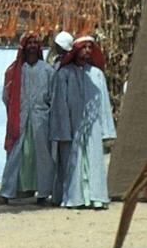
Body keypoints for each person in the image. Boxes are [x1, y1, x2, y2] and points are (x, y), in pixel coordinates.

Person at [49, 34, 114, 209]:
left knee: (94, 160)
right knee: (72, 162)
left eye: (89, 48)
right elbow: (60, 104)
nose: (86, 51)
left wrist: (106, 130)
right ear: (76, 51)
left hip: (92, 127)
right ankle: (74, 198)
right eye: (83, 48)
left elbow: (103, 104)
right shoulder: (64, 74)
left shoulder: (97, 75)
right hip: (72, 126)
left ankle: (96, 197)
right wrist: (63, 129)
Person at [0, 32, 54, 205]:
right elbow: (6, 96)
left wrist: (44, 111)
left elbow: (53, 96)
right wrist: (15, 110)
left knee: (43, 155)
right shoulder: (14, 71)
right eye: (30, 43)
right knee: (15, 153)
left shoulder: (48, 70)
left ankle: (43, 193)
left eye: (36, 43)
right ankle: (6, 193)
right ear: (24, 47)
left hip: (41, 119)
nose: (33, 46)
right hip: (19, 119)